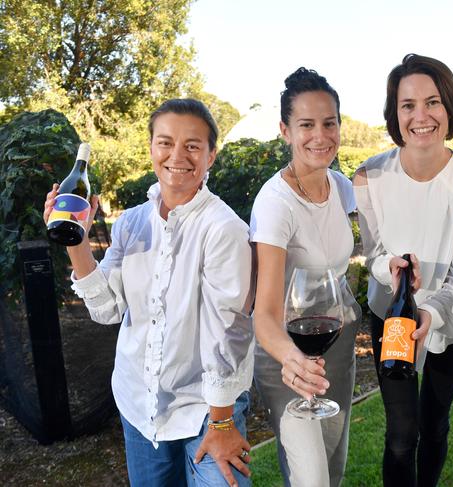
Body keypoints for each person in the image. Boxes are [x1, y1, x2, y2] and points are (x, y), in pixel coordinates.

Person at [43, 99, 255, 487]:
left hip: (207, 408)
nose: (178, 155)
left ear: (211, 155)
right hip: (139, 403)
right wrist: (78, 240)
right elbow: (107, 310)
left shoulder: (224, 229)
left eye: (193, 145)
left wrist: (223, 420)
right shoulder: (131, 223)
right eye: (165, 142)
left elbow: (230, 331)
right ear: (151, 148)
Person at [353, 53, 453, 486]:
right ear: (395, 114)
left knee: (433, 426)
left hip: (447, 319)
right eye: (407, 105)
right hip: (392, 317)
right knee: (401, 434)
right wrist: (387, 267)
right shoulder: (369, 178)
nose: (421, 116)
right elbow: (373, 251)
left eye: (432, 102)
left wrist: (430, 311)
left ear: (450, 108)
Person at [250, 67, 360, 487]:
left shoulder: (343, 188)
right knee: (309, 476)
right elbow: (266, 313)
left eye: (329, 123)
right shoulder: (276, 203)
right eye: (306, 125)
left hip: (337, 340)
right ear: (285, 130)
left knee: (331, 468)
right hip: (287, 351)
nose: (320, 136)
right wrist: (293, 360)